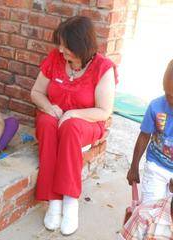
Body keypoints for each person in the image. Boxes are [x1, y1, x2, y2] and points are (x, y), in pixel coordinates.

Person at [31, 16, 118, 235]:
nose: (61, 50)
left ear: (82, 45)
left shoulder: (103, 67)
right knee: (47, 123)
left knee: (70, 128)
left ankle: (70, 201)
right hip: (56, 115)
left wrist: (73, 114)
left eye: (66, 45)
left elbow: (104, 111)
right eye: (60, 44)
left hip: (86, 122)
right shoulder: (55, 58)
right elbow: (36, 92)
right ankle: (53, 200)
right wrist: (49, 107)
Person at [127, 60, 173, 203]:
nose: (170, 99)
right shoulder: (155, 106)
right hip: (156, 166)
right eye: (167, 93)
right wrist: (134, 166)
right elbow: (144, 136)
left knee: (167, 221)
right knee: (150, 212)